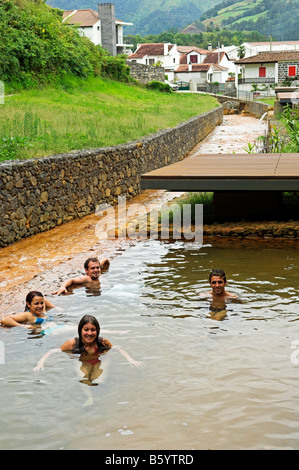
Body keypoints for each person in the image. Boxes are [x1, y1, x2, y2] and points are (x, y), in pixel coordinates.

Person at [34, 315, 144, 376]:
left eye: (93, 330)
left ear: (98, 331)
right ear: (80, 330)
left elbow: (118, 349)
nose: (89, 333)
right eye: (86, 330)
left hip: (99, 361)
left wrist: (131, 360)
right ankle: (89, 398)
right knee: (84, 378)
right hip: (82, 361)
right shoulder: (72, 344)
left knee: (98, 380)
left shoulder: (103, 342)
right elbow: (52, 351)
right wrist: (40, 363)